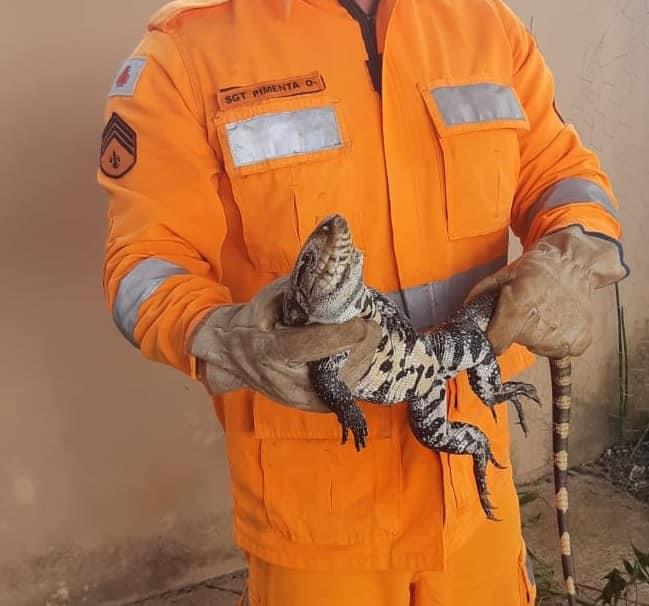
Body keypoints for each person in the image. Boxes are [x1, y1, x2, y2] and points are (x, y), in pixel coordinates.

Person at [97, 1, 629, 604]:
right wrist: (221, 335)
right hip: (317, 512)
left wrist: (572, 255)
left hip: (472, 478)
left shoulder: (483, 22)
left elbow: (561, 175)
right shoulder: (187, 53)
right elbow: (145, 261)